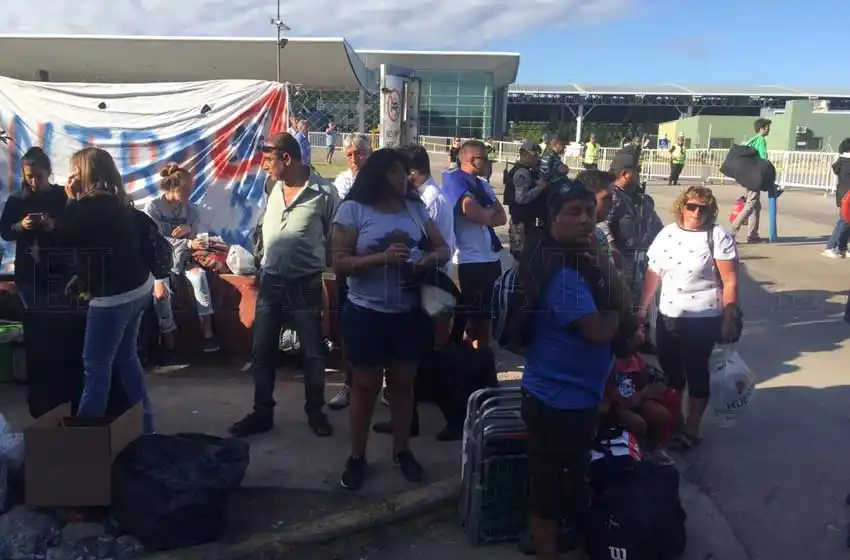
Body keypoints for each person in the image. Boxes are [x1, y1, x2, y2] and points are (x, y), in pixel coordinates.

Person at [330, 148, 450, 490]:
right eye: (397, 172)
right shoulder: (352, 210)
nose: (405, 178)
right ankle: (357, 456)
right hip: (365, 313)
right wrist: (381, 258)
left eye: (406, 173)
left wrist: (423, 262)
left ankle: (402, 450)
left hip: (408, 313)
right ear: (379, 175)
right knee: (365, 387)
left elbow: (443, 250)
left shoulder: (415, 208)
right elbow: (338, 263)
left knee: (402, 384)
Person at [516, 184, 620, 560]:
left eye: (590, 212)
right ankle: (544, 545)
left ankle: (538, 536)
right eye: (574, 212)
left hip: (569, 395)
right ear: (552, 217)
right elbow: (599, 331)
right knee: (552, 492)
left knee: (557, 483)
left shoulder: (562, 255)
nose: (585, 220)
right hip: (559, 402)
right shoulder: (562, 274)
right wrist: (617, 313)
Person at [229, 133, 339, 438]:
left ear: (286, 159)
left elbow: (333, 236)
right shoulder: (271, 186)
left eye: (268, 161)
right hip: (271, 282)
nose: (264, 167)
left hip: (305, 284)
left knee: (313, 353)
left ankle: (315, 412)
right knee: (262, 351)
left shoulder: (325, 193)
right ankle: (262, 412)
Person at [59, 147, 154, 433]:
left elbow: (66, 236)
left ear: (85, 173)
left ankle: (86, 436)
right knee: (126, 359)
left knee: (96, 365)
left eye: (76, 171)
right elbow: (102, 251)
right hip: (137, 287)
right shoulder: (116, 200)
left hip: (114, 297)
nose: (72, 176)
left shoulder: (88, 205)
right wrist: (83, 278)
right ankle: (146, 426)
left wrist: (71, 199)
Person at [638, 186, 740, 450]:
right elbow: (654, 273)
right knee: (671, 373)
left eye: (703, 208)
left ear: (711, 210)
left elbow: (729, 281)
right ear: (681, 206)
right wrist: (641, 310)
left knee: (696, 372)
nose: (697, 212)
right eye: (691, 206)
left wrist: (729, 316)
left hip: (704, 317)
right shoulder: (667, 234)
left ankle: (693, 428)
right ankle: (677, 421)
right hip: (669, 314)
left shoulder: (718, 236)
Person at [144, 163, 219, 356]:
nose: (187, 194)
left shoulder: (191, 210)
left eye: (189, 190)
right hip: (161, 263)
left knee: (199, 278)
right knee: (161, 295)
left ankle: (208, 334)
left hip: (185, 260)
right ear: (171, 187)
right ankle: (169, 342)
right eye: (184, 190)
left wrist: (190, 232)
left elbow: (200, 236)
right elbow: (156, 241)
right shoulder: (153, 207)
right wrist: (187, 243)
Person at [443, 140, 507, 348]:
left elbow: (501, 217)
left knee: (487, 315)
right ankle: (465, 358)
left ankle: (481, 360)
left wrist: (487, 215)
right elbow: (472, 212)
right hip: (469, 260)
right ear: (471, 159)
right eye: (485, 159)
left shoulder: (483, 184)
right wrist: (488, 215)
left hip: (490, 257)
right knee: (470, 317)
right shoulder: (455, 181)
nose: (489, 164)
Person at [327, 133, 374, 412]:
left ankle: (382, 387)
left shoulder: (380, 184)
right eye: (350, 155)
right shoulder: (342, 182)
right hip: (350, 266)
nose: (355, 159)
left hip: (377, 266)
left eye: (361, 153)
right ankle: (349, 383)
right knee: (349, 331)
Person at [602, 146, 664, 300]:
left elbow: (656, 226)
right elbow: (602, 225)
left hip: (644, 263)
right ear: (625, 174)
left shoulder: (642, 199)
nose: (640, 175)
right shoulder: (613, 197)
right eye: (638, 171)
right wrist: (614, 253)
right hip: (622, 263)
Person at [731, 118, 771, 243]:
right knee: (750, 205)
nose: (769, 129)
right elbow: (763, 158)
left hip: (748, 175)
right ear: (762, 128)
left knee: (755, 206)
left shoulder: (751, 140)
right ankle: (733, 231)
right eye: (767, 127)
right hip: (755, 177)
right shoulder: (761, 140)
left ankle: (753, 235)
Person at [504, 140, 545, 259]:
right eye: (534, 156)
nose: (537, 159)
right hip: (521, 221)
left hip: (524, 220)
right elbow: (521, 198)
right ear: (524, 155)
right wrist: (539, 188)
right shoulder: (522, 172)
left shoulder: (525, 170)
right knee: (522, 256)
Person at [823, 137, 850, 259]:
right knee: (844, 222)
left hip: (843, 195)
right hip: (847, 197)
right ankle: (830, 247)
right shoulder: (847, 163)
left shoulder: (842, 161)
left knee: (847, 222)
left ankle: (842, 247)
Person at [333, 133, 372, 200]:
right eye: (349, 155)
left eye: (358, 153)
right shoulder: (343, 180)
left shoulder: (381, 179)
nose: (354, 160)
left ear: (369, 153)